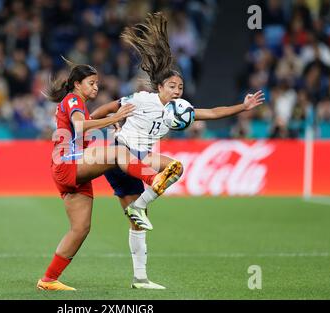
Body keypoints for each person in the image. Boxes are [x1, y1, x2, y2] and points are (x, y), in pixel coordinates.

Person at [90, 12, 265, 289]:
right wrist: (92, 125)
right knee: (171, 169)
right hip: (122, 153)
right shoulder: (143, 99)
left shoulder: (179, 111)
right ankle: (140, 206)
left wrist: (242, 107)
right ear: (159, 87)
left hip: (140, 158)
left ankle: (140, 278)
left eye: (180, 87)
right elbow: (110, 108)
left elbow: (211, 112)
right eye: (172, 86)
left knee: (139, 220)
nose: (177, 91)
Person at [36, 59, 182, 291]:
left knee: (80, 228)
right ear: (76, 84)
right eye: (91, 83)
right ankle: (153, 179)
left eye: (97, 84)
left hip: (74, 170)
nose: (96, 88)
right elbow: (81, 126)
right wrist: (115, 118)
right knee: (117, 152)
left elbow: (83, 130)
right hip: (67, 164)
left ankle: (49, 279)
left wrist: (108, 127)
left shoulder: (76, 103)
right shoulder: (73, 100)